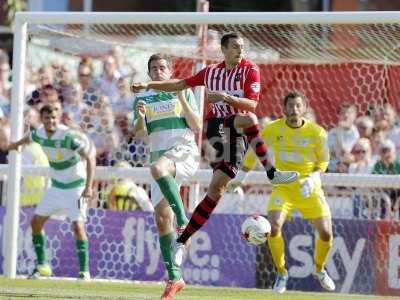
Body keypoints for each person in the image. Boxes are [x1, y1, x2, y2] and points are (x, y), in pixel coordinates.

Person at [131, 32, 299, 269]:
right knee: (248, 119)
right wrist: (148, 84)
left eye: (242, 47)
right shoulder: (211, 72)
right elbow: (180, 83)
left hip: (237, 133)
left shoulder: (251, 70)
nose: (240, 51)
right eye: (235, 47)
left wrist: (225, 97)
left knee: (216, 191)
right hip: (217, 128)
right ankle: (272, 172)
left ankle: (181, 240)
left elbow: (252, 103)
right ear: (223, 49)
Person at [234, 91, 335, 293]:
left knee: (325, 233)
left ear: (304, 108)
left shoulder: (317, 132)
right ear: (284, 108)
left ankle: (319, 269)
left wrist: (313, 178)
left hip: (309, 189)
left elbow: (323, 161)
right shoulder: (273, 129)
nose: (294, 110)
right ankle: (282, 273)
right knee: (274, 226)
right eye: (290, 106)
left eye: (298, 106)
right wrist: (241, 177)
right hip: (284, 188)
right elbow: (256, 150)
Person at [132, 53, 202, 300]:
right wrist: (140, 118)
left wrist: (182, 94)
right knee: (162, 219)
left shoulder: (182, 91)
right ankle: (174, 278)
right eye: (154, 68)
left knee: (159, 169)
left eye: (163, 68)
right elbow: (140, 134)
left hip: (183, 151)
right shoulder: (142, 96)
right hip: (159, 155)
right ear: (149, 73)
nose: (158, 71)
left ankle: (184, 221)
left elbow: (196, 126)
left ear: (170, 71)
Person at [6, 104, 96, 280]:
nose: (51, 121)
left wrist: (89, 187)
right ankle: (43, 266)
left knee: (78, 227)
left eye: (54, 117)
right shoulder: (39, 133)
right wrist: (15, 145)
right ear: (42, 119)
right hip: (56, 187)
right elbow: (28, 138)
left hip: (75, 187)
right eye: (47, 118)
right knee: (35, 223)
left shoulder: (68, 136)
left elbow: (90, 158)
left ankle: (84, 272)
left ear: (59, 117)